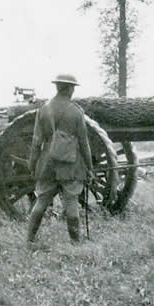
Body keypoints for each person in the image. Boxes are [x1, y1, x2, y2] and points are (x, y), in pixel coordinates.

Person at [26, 74, 97, 242]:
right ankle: (75, 242)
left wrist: (32, 165)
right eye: (73, 88)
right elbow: (84, 143)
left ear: (57, 87)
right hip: (70, 163)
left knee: (41, 201)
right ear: (69, 89)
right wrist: (90, 168)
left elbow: (36, 142)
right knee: (71, 202)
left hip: (47, 163)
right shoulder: (76, 112)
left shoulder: (44, 109)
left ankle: (29, 240)